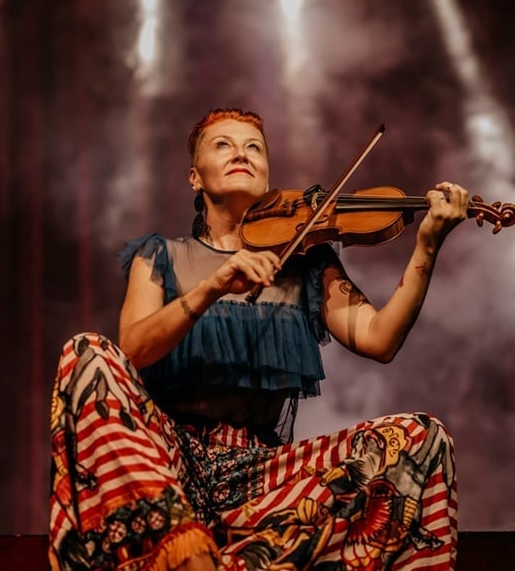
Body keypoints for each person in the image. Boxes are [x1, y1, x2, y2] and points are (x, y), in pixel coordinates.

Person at [49, 107, 467, 571]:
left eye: (254, 148)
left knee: (421, 436)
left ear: (268, 175)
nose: (241, 154)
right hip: (167, 464)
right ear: (194, 177)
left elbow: (379, 339)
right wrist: (213, 286)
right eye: (222, 145)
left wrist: (426, 245)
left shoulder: (306, 260)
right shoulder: (161, 256)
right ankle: (181, 549)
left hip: (259, 474)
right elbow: (131, 351)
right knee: (85, 350)